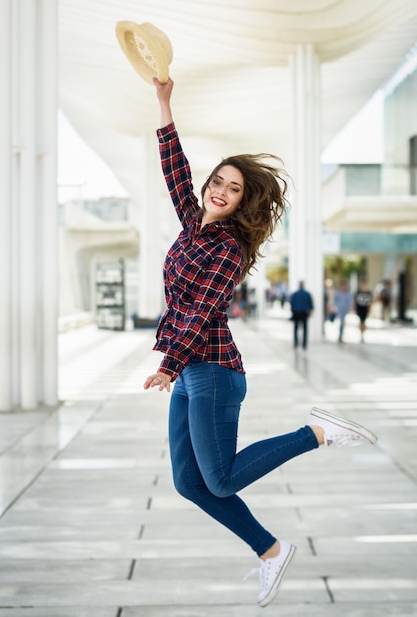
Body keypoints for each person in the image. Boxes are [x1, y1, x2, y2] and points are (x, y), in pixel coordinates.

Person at [143, 77, 377, 609]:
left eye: (234, 189)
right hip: (191, 374)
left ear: (243, 202)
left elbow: (201, 311)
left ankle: (316, 432)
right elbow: (173, 166)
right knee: (189, 482)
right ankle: (270, 551)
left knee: (220, 481)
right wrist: (164, 100)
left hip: (214, 373)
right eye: (217, 182)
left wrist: (168, 363)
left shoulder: (225, 248)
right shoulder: (192, 224)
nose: (220, 191)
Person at [289, 281, 314, 349]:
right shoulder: (307, 294)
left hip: (297, 312)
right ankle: (304, 344)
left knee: (296, 328)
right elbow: (310, 304)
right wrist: (310, 310)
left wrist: (293, 311)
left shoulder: (295, 294)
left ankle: (296, 343)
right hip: (304, 313)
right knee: (305, 328)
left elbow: (291, 303)